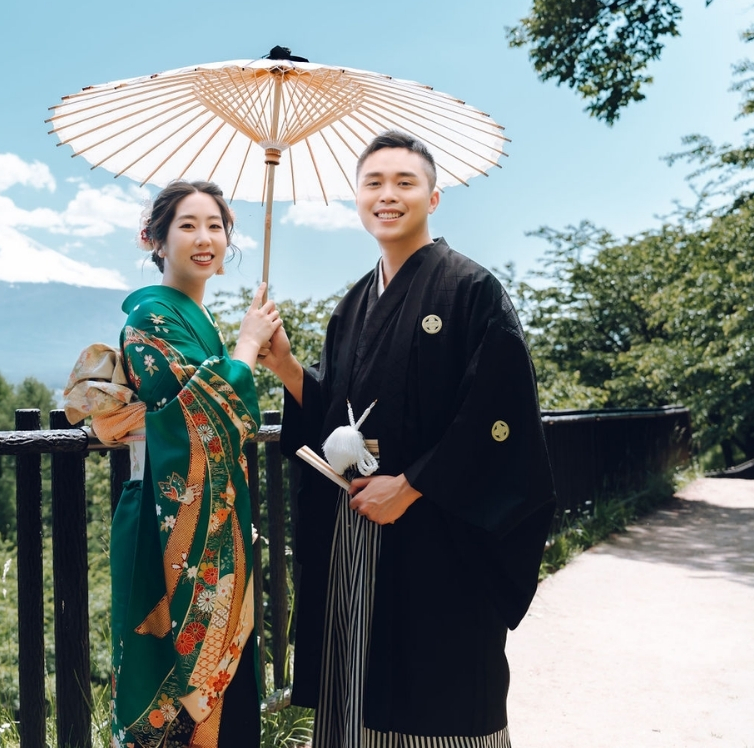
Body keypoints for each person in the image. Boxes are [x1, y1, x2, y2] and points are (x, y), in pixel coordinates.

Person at [261, 131, 556, 747]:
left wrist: (414, 486)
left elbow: (496, 417)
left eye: (404, 183)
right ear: (357, 198)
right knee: (356, 689)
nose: (387, 196)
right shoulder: (352, 306)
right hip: (359, 533)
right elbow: (339, 421)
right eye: (373, 183)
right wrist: (288, 368)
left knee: (439, 690)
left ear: (434, 197)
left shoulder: (470, 290)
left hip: (439, 535)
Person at [110, 180, 281, 748]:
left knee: (226, 702)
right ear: (153, 239)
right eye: (187, 225)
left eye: (216, 225)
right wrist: (248, 347)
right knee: (172, 689)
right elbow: (197, 417)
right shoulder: (150, 318)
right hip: (166, 529)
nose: (204, 238)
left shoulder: (191, 320)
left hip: (213, 526)